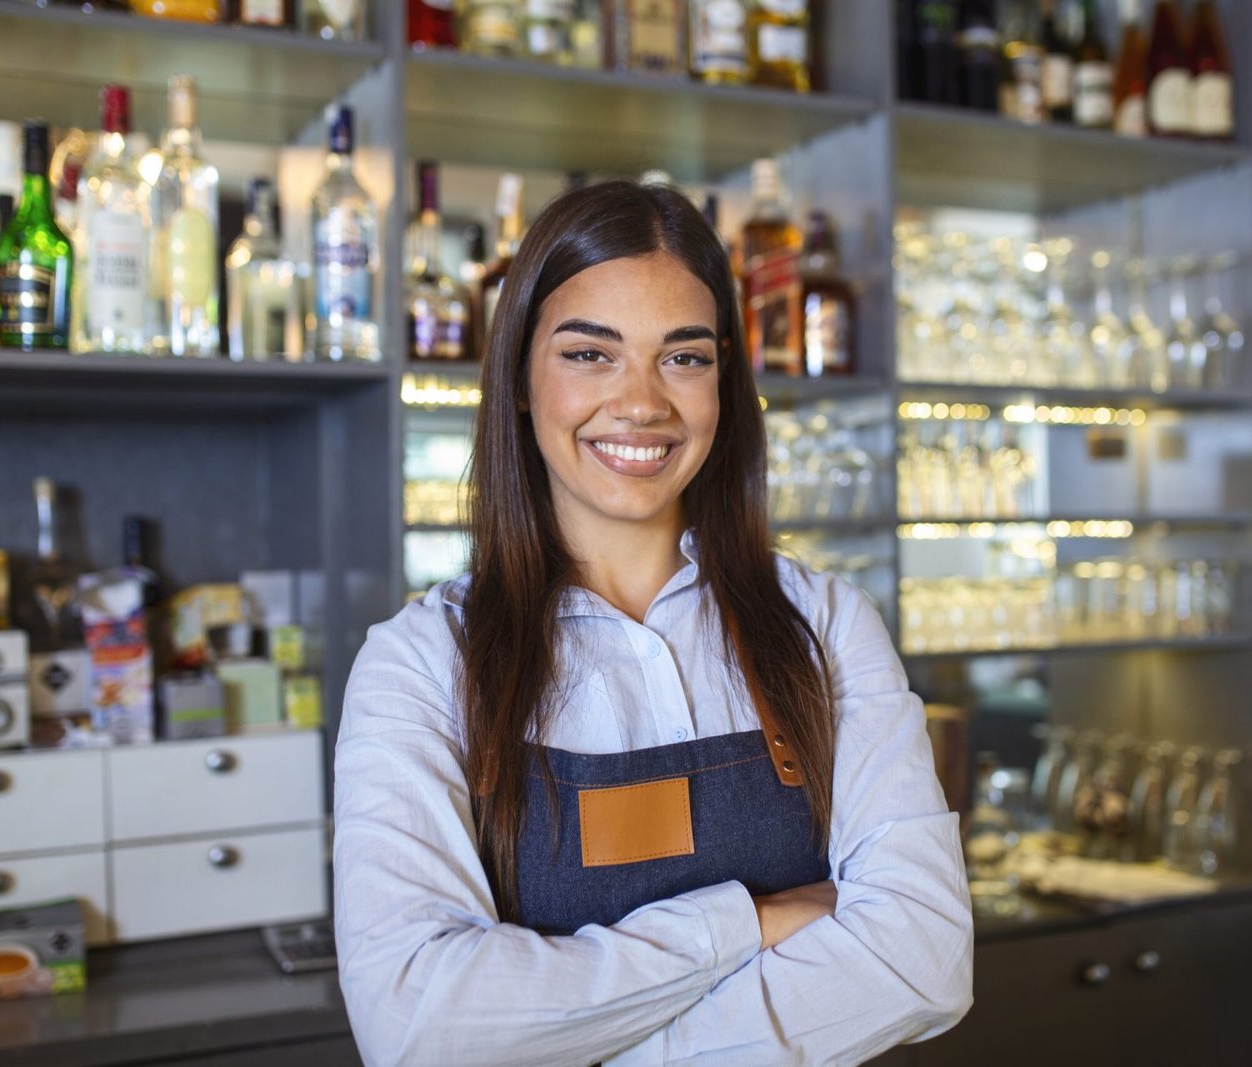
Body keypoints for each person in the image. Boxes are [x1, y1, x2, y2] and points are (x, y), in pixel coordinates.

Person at [333, 180, 973, 1066]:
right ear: (520, 378)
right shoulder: (421, 663)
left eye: (684, 357)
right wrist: (746, 920)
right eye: (591, 354)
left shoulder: (823, 623)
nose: (641, 402)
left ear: (725, 385)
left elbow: (925, 958)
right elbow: (421, 1028)